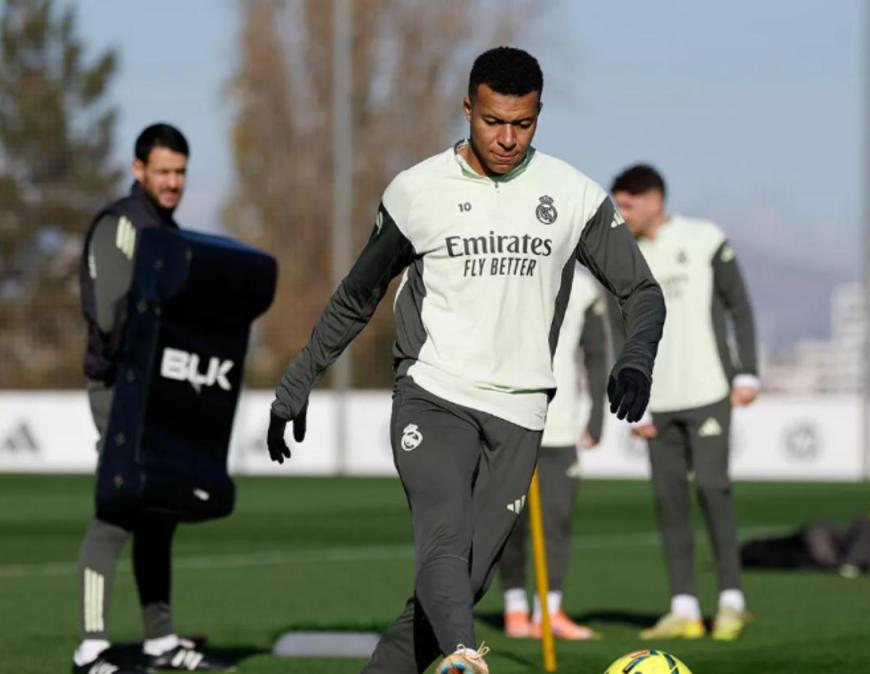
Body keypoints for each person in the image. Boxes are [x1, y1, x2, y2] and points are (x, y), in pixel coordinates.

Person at [266, 47, 665, 674]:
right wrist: (297, 381)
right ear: (467, 109)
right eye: (491, 121)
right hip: (434, 392)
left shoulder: (573, 194)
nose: (506, 138)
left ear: (538, 115)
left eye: (523, 124)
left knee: (459, 583)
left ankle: (429, 654)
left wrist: (636, 358)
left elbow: (640, 291)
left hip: (521, 413)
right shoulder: (416, 191)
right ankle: (462, 660)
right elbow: (357, 296)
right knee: (444, 539)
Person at [74, 124, 230, 673]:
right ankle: (90, 649)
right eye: (163, 171)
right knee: (116, 509)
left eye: (181, 172)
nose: (173, 182)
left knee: (159, 509)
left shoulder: (167, 231)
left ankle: (160, 642)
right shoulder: (120, 225)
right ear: (138, 169)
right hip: (119, 388)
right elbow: (114, 317)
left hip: (158, 389)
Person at [610, 164, 760, 641]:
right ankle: (685, 610)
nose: (622, 213)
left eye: (628, 204)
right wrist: (634, 398)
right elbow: (621, 328)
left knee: (714, 489)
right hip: (657, 400)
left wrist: (747, 370)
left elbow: (739, 305)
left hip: (710, 390)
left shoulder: (705, 238)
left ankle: (732, 602)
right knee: (668, 500)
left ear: (655, 199)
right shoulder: (625, 255)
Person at [497, 267, 610, 640]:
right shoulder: (507, 272)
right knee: (509, 523)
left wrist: (596, 417)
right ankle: (515, 610)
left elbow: (596, 354)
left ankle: (549, 612)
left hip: (560, 430)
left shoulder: (583, 287)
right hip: (508, 425)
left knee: (556, 522)